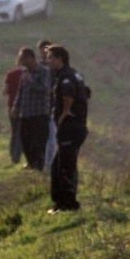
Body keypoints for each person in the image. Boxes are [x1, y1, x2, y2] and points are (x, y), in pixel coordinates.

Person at [46, 44, 89, 213]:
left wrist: (65, 112)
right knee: (58, 165)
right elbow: (86, 92)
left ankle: (69, 205)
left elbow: (68, 92)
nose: (47, 61)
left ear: (59, 59)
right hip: (76, 127)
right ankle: (60, 203)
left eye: (50, 58)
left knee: (65, 167)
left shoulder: (65, 77)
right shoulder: (74, 74)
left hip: (70, 128)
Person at [12, 47, 51, 171]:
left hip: (39, 113)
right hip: (26, 113)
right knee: (25, 139)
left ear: (30, 58)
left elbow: (45, 90)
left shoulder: (43, 72)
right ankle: (31, 164)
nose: (20, 62)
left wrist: (30, 80)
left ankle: (38, 166)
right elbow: (20, 91)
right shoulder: (24, 73)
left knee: (38, 141)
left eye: (22, 59)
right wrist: (15, 107)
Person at [37, 39, 57, 171]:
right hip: (40, 107)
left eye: (46, 51)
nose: (44, 54)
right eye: (42, 51)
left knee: (51, 136)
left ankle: (48, 164)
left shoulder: (55, 69)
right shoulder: (38, 68)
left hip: (52, 107)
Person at [2, 62, 24, 165]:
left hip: (11, 107)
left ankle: (12, 156)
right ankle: (16, 157)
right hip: (24, 107)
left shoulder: (10, 74)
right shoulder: (28, 74)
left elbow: (4, 91)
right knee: (22, 132)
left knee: (14, 132)